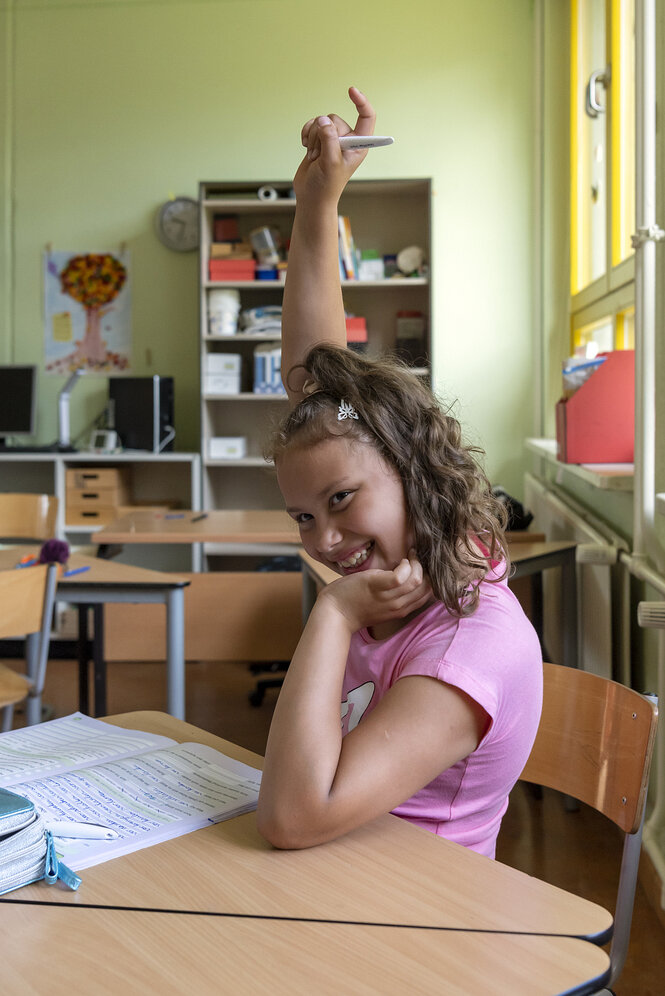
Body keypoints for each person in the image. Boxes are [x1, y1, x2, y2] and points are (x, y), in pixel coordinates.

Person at [256, 87, 542, 859]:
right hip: (335, 884)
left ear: (413, 468)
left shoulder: (465, 647)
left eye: (341, 501)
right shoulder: (428, 551)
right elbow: (321, 385)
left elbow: (291, 820)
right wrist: (317, 203)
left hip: (413, 929)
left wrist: (334, 616)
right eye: (304, 517)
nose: (326, 537)